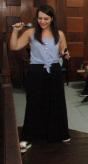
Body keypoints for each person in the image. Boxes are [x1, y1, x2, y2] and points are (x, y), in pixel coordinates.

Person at [10, 5, 70, 149]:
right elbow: (14, 46)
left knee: (56, 103)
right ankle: (28, 137)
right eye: (40, 18)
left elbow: (63, 50)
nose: (42, 21)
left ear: (52, 19)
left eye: (46, 18)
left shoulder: (60, 34)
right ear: (36, 19)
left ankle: (59, 134)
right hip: (36, 71)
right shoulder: (31, 32)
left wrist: (65, 54)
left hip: (54, 71)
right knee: (33, 103)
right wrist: (15, 31)